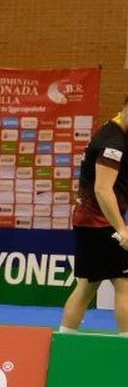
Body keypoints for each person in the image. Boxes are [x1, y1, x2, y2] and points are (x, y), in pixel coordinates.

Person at [60, 97, 128, 334]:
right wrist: (121, 229)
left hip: (90, 222)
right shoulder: (113, 143)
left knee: (87, 286)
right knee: (125, 285)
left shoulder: (115, 132)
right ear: (125, 108)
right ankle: (125, 348)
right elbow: (102, 188)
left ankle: (65, 340)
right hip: (101, 224)